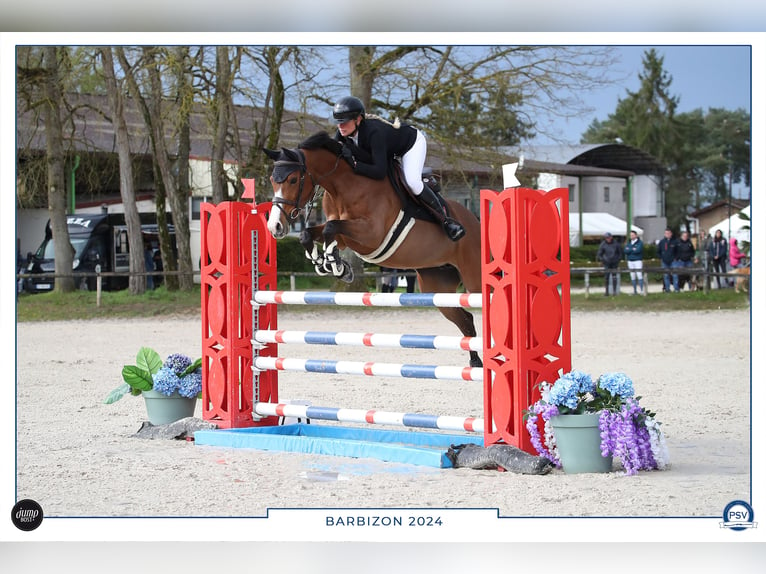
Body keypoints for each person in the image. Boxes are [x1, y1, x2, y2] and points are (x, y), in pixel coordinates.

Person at [331, 95, 465, 241]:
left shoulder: (374, 132)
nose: (340, 126)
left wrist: (355, 165)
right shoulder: (342, 133)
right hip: (387, 151)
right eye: (338, 123)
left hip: (410, 144)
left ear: (358, 119)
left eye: (344, 122)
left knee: (412, 182)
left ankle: (446, 220)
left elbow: (379, 171)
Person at [596, 232, 623, 296]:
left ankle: (614, 292)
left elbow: (620, 253)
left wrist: (617, 260)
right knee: (606, 277)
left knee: (614, 277)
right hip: (606, 263)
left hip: (614, 263)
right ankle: (606, 292)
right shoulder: (603, 244)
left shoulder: (616, 244)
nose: (607, 239)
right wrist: (602, 260)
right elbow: (599, 254)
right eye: (606, 238)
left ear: (611, 237)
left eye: (608, 237)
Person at [657, 227, 679, 293]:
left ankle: (676, 289)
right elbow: (658, 251)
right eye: (666, 233)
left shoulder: (675, 242)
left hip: (673, 261)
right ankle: (667, 289)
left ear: (671, 234)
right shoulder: (662, 242)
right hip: (664, 261)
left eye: (668, 233)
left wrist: (676, 258)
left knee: (675, 275)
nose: (667, 234)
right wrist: (661, 257)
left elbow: (678, 251)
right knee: (666, 275)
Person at [623, 230, 644, 295]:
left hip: (637, 260)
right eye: (630, 235)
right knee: (632, 275)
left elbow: (638, 250)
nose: (631, 236)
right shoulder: (629, 243)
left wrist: (630, 249)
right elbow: (625, 251)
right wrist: (632, 249)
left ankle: (642, 290)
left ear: (636, 235)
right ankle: (635, 290)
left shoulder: (640, 243)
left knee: (639, 275)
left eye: (633, 235)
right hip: (630, 261)